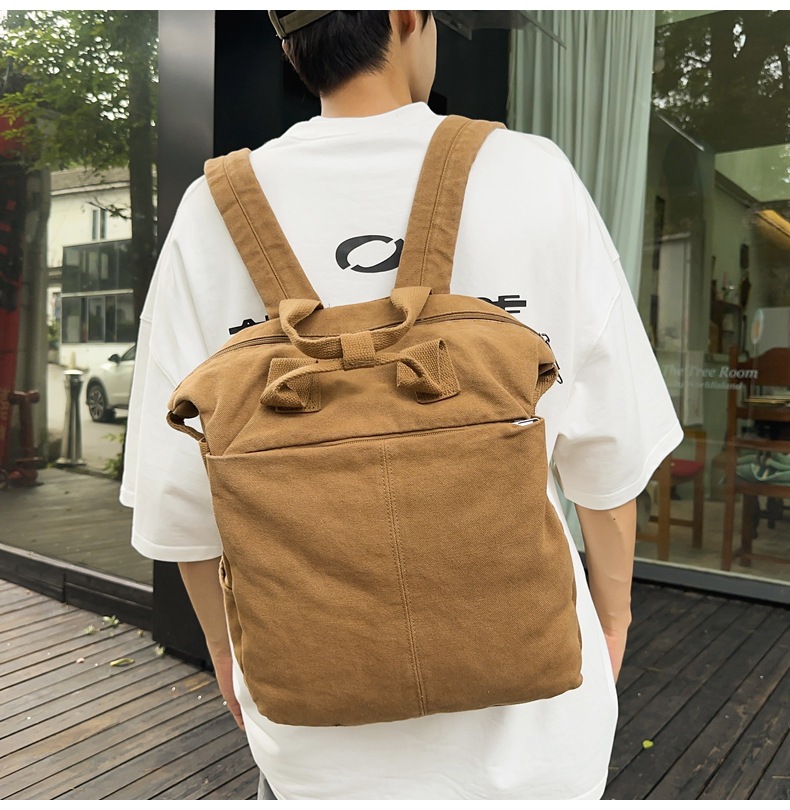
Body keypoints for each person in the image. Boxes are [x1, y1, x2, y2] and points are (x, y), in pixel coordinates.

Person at [122, 10, 683, 800]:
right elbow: (608, 455)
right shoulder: (530, 174)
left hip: (314, 730)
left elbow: (180, 498)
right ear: (406, 15)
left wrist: (226, 653)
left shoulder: (212, 208)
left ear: (289, 40)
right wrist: (613, 619)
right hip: (532, 729)